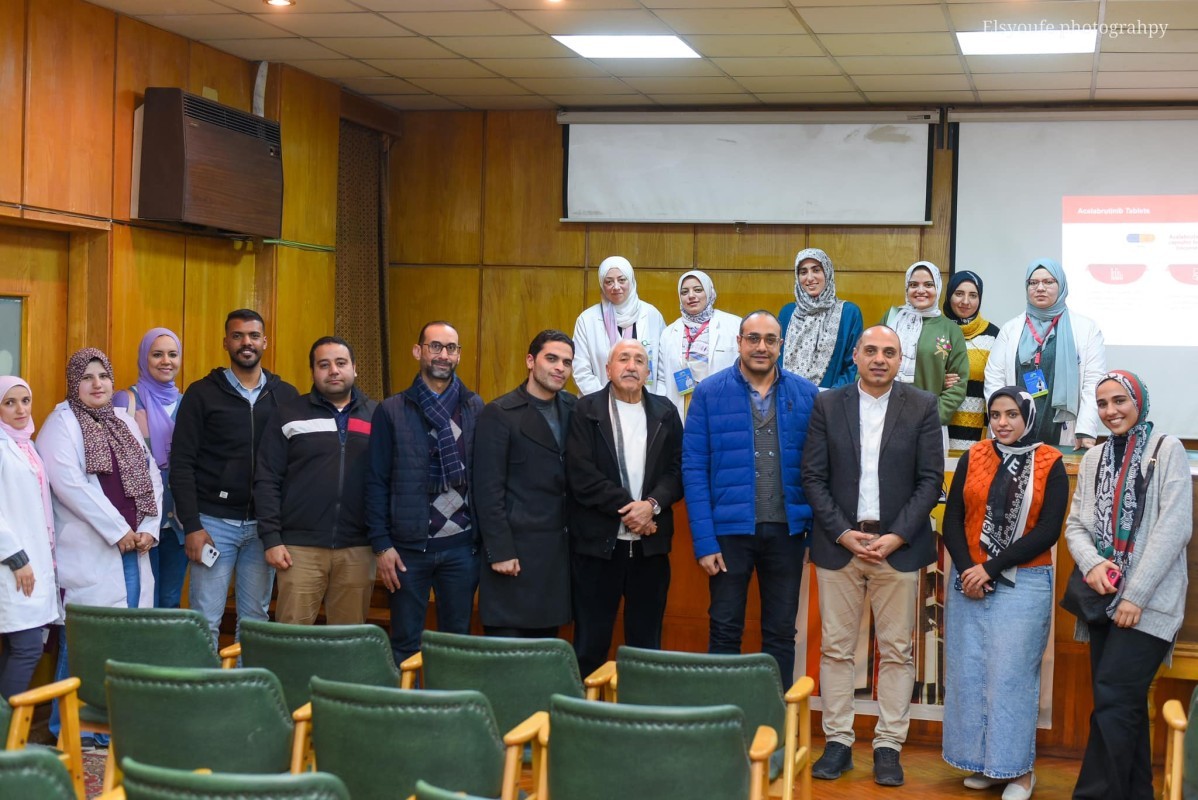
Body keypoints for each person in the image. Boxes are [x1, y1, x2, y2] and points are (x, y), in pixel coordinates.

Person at [801, 326, 943, 787]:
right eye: (871, 351)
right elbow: (813, 477)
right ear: (856, 357)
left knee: (897, 652)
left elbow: (931, 480)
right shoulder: (828, 404)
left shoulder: (921, 405)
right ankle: (838, 742)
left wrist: (897, 535)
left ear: (901, 360)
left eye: (889, 352)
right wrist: (843, 533)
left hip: (896, 549)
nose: (880, 359)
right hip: (839, 545)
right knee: (836, 649)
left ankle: (888, 746)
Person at [1065, 371, 1191, 800]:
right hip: (1101, 599)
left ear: (1139, 401)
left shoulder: (1167, 449)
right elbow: (1076, 526)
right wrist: (1093, 564)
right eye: (1102, 403)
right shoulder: (1093, 458)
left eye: (1119, 400)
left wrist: (1135, 595)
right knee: (1123, 704)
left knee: (1114, 698)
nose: (1110, 411)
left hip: (1149, 603)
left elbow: (1174, 528)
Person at [941, 387, 1068, 800]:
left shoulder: (1050, 461)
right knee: (970, 674)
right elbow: (953, 519)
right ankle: (987, 765)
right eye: (995, 415)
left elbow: (1048, 531)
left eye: (1012, 414)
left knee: (1011, 679)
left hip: (1023, 582)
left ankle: (1020, 773)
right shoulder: (974, 456)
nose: (1002, 422)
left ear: (1028, 416)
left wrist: (989, 569)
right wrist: (968, 570)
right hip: (969, 579)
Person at [683, 310, 818, 682]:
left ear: (781, 345)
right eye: (753, 338)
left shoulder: (806, 394)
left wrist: (813, 535)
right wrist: (704, 541)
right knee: (725, 629)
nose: (762, 347)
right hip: (728, 535)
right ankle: (724, 713)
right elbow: (693, 470)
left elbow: (818, 470)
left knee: (781, 633)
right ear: (739, 342)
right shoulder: (709, 393)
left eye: (770, 340)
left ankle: (774, 716)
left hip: (788, 533)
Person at [39, 349, 163, 744]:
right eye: (87, 377)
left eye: (103, 376)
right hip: (91, 550)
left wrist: (150, 528)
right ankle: (67, 731)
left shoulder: (123, 420)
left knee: (124, 641)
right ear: (73, 383)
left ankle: (109, 731)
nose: (97, 384)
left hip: (133, 548)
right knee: (81, 643)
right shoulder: (59, 425)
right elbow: (71, 486)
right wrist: (117, 530)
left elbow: (151, 476)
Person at [170, 309, 298, 646]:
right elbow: (181, 464)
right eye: (238, 336)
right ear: (225, 342)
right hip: (213, 526)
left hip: (263, 528)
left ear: (265, 342)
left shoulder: (286, 396)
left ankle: (246, 681)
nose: (246, 342)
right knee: (205, 620)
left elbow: (295, 464)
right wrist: (192, 525)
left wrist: (280, 526)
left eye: (253, 336)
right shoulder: (201, 393)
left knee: (255, 621)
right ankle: (205, 682)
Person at [366, 321, 483, 664]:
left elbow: (485, 477)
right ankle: (406, 700)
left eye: (451, 348)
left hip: (461, 548)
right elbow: (375, 481)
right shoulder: (391, 410)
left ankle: (449, 701)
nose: (443, 355)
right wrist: (381, 544)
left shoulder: (475, 407)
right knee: (405, 644)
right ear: (418, 351)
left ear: (458, 355)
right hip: (408, 550)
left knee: (455, 645)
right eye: (435, 346)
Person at [566, 339, 683, 677]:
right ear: (608, 369)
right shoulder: (585, 410)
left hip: (651, 549)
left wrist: (652, 506)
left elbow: (678, 470)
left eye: (639, 360)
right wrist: (635, 512)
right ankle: (585, 708)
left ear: (648, 372)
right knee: (589, 644)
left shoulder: (665, 412)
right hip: (597, 549)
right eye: (623, 359)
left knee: (646, 647)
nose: (631, 366)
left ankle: (641, 709)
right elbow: (581, 475)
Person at [254, 337, 377, 625]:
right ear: (313, 371)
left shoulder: (378, 415)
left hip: (358, 549)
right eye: (324, 364)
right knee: (292, 639)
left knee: (348, 641)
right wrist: (271, 539)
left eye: (341, 363)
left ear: (355, 368)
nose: (333, 370)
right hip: (299, 550)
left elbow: (387, 481)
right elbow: (267, 478)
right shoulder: (288, 414)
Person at [474, 330, 577, 638]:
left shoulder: (574, 408)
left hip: (556, 557)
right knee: (508, 653)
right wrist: (500, 551)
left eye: (567, 362)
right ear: (530, 361)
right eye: (552, 358)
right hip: (513, 556)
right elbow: (488, 490)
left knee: (545, 652)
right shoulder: (499, 412)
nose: (560, 367)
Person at [985, 258, 1106, 450]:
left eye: (1048, 282)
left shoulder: (1086, 329)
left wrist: (1085, 429)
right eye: (1033, 282)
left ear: (1061, 286)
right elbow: (994, 379)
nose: (1040, 288)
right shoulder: (1011, 329)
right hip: (1015, 427)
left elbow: (1093, 383)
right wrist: (1001, 422)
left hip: (1062, 427)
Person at [113, 328, 187, 608]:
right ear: (145, 358)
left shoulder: (187, 404)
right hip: (141, 524)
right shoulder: (126, 401)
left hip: (178, 523)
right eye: (157, 354)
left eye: (173, 354)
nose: (166, 361)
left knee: (170, 602)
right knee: (144, 602)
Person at [0, 376, 60, 699]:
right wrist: (16, 558)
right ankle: (9, 726)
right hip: (13, 564)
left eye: (25, 401)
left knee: (17, 649)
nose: (20, 409)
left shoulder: (28, 446)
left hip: (33, 561)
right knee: (27, 649)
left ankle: (6, 725)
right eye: (9, 403)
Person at [881, 261, 969, 448]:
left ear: (938, 287)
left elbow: (958, 385)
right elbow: (868, 362)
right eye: (914, 285)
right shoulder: (891, 318)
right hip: (884, 417)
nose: (920, 290)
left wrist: (931, 416)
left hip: (929, 425)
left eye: (928, 284)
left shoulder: (950, 329)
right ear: (907, 288)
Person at [572, 256, 666, 396]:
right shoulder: (587, 319)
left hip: (645, 402)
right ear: (602, 284)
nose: (616, 287)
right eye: (609, 281)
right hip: (600, 403)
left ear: (631, 280)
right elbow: (581, 370)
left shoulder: (652, 315)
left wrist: (655, 401)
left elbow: (663, 367)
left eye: (622, 280)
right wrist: (605, 401)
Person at [657, 270, 740, 419]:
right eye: (684, 292)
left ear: (709, 292)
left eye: (698, 290)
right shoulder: (668, 333)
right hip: (682, 406)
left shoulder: (734, 325)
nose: (691, 296)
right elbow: (662, 379)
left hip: (723, 405)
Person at [779, 248, 864, 389]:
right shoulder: (787, 313)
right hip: (787, 396)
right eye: (803, 272)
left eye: (816, 270)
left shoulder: (849, 313)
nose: (810, 278)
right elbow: (776, 360)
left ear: (827, 272)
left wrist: (829, 396)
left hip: (831, 398)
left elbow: (853, 366)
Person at [942, 272, 1001, 452]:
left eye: (973, 295)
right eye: (959, 293)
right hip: (940, 426)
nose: (965, 301)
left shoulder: (994, 335)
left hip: (978, 433)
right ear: (949, 295)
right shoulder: (937, 330)